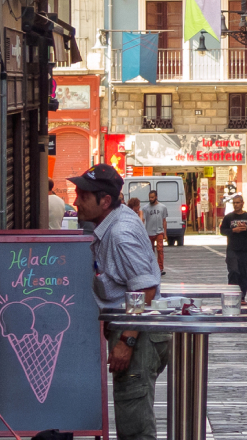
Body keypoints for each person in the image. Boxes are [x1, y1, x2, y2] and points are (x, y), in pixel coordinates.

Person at [69, 164, 167, 440]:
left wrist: (127, 340)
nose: (76, 202)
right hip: (134, 330)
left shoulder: (119, 234)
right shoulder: (114, 220)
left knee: (135, 425)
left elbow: (145, 289)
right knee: (132, 412)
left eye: (83, 196)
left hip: (139, 334)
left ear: (105, 201)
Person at [219, 195, 247, 304]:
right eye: (234, 203)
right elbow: (222, 230)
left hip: (245, 250)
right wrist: (233, 231)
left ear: (242, 203)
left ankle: (241, 297)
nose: (236, 205)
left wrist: (245, 229)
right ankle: (232, 294)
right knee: (233, 271)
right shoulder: (228, 217)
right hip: (232, 249)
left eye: (238, 203)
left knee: (244, 273)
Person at [140, 191, 168, 275]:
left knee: (160, 249)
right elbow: (143, 220)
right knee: (150, 251)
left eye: (152, 197)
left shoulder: (162, 207)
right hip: (149, 232)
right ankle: (152, 268)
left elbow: (164, 221)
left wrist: (165, 234)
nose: (150, 199)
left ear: (156, 197)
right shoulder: (145, 208)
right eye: (149, 197)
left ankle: (160, 268)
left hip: (159, 231)